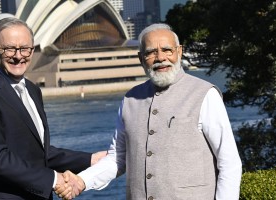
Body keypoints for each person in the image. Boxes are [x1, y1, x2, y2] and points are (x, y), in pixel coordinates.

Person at [56, 23, 243, 200]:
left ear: (179, 52)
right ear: (141, 59)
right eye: (151, 52)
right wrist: (81, 181)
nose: (160, 57)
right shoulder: (130, 99)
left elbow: (229, 163)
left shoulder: (205, 94)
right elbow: (118, 158)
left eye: (167, 50)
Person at [0, 17, 105, 200]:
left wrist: (90, 160)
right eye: (9, 49)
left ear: (32, 49)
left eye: (24, 48)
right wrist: (55, 180)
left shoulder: (32, 90)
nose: (18, 56)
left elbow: (38, 153)